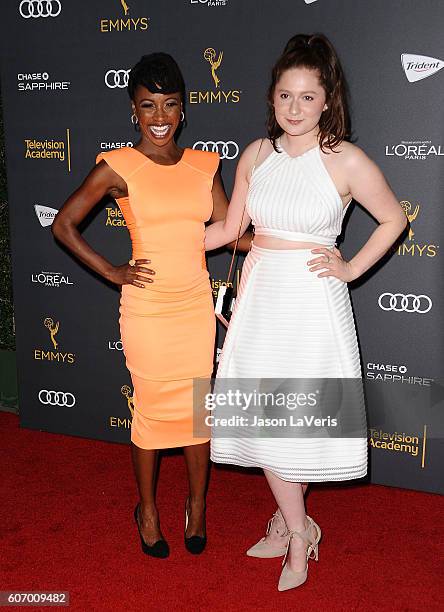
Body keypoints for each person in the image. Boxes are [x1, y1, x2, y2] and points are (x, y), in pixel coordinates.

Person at [204, 33, 407, 590]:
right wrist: (164, 242)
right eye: (284, 96)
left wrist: (350, 269)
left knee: (296, 421)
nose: (294, 109)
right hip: (262, 294)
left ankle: (296, 534)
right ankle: (296, 524)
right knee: (264, 414)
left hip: (313, 304)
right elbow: (228, 230)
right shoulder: (255, 155)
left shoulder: (344, 160)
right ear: (271, 97)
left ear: (327, 99)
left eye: (307, 97)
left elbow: (393, 219)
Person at [52, 52, 235, 558]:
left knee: (199, 414)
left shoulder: (203, 166)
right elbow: (62, 224)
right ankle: (148, 510)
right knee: (152, 414)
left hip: (195, 306)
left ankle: (196, 508)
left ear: (184, 109)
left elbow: (232, 233)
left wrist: (290, 236)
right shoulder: (119, 166)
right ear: (133, 109)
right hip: (149, 310)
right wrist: (113, 271)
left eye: (170, 105)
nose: (159, 118)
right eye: (148, 105)